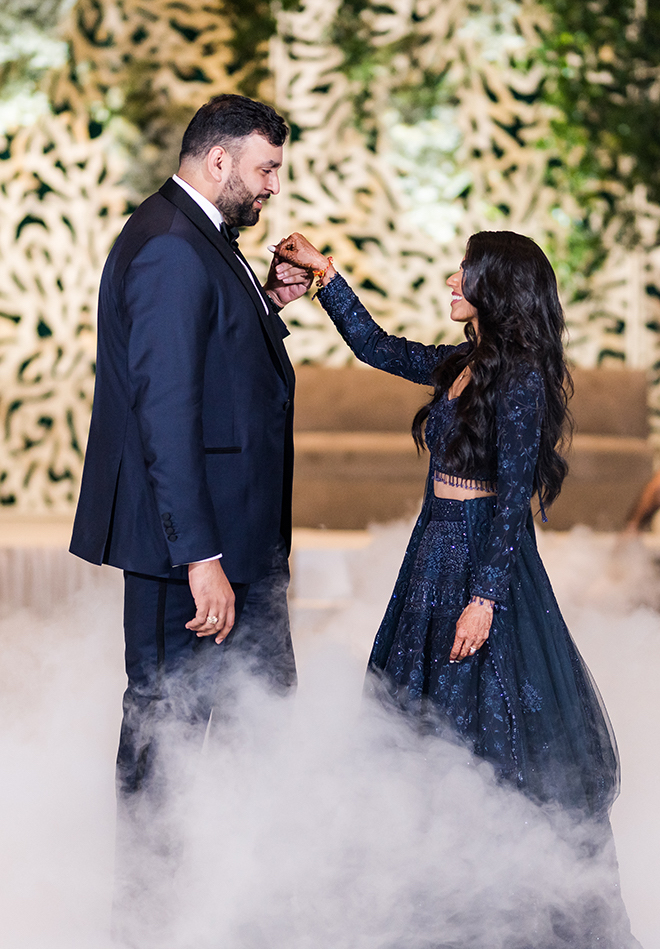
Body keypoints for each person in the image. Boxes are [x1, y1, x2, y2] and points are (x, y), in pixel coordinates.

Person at [271, 229, 640, 947]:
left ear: (493, 288)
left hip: (482, 566)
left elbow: (511, 501)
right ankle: (426, 899)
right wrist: (325, 278)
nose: (450, 278)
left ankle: (503, 915)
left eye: (463, 270)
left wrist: (486, 596)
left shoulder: (523, 376)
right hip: (432, 552)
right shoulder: (463, 363)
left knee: (496, 737)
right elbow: (377, 347)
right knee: (418, 727)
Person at [69, 94, 310, 942]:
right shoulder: (171, 248)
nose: (273, 186)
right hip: (196, 554)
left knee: (259, 725)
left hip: (234, 546)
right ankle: (145, 918)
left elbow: (216, 366)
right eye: (266, 168)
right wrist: (200, 555)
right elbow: (166, 410)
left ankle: (243, 906)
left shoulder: (197, 234)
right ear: (219, 163)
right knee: (167, 734)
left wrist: (271, 302)